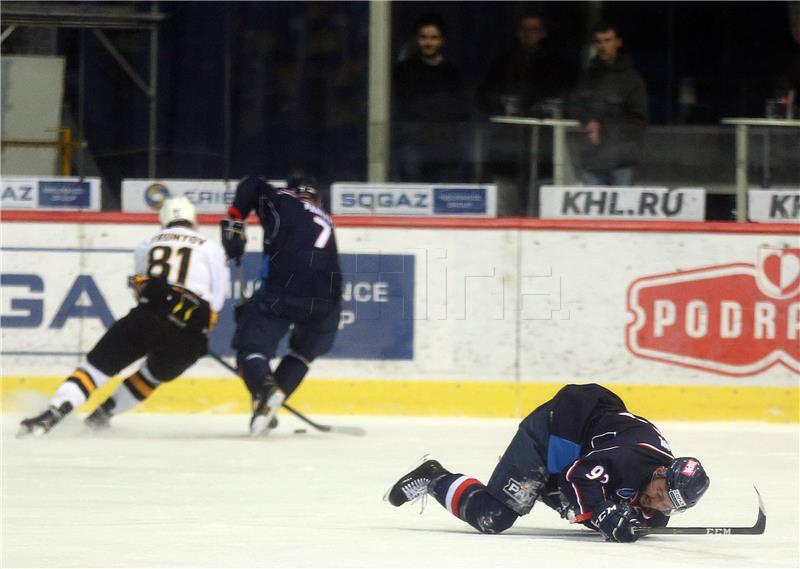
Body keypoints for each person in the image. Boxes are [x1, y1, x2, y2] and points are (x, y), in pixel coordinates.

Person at [386, 383, 710, 543]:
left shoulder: (657, 490)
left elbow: (648, 516)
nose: (656, 501)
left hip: (583, 446)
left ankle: (549, 488)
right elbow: (578, 476)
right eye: (658, 492)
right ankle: (433, 477)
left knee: (598, 511)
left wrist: (621, 518)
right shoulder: (626, 458)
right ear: (659, 472)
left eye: (667, 503)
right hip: (553, 431)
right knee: (493, 517)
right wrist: (601, 510)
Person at [18, 196, 229, 436]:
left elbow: (142, 289)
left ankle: (53, 413)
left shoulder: (147, 244)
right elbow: (216, 302)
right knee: (151, 375)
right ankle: (102, 415)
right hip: (187, 336)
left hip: (147, 318)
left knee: (95, 369)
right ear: (194, 220)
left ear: (163, 220)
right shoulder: (211, 248)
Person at [220, 172, 342, 436]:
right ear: (316, 197)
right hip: (328, 301)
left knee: (251, 348)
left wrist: (236, 220)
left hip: (285, 288)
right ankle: (269, 403)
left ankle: (266, 390)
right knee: (302, 353)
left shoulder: (282, 198)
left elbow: (252, 183)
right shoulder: (325, 217)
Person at [392, 13, 470, 183]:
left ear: (442, 41)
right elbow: (403, 105)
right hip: (412, 144)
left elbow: (460, 109)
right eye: (424, 37)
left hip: (445, 148)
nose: (428, 42)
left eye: (434, 38)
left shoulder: (451, 73)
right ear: (417, 40)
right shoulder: (404, 71)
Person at [569, 22, 647, 186]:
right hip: (593, 161)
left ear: (618, 42)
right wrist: (588, 122)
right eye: (599, 41)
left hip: (622, 162)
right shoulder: (588, 75)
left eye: (607, 40)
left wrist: (602, 129)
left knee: (621, 210)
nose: (603, 46)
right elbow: (573, 106)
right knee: (592, 211)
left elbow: (638, 121)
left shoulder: (632, 80)